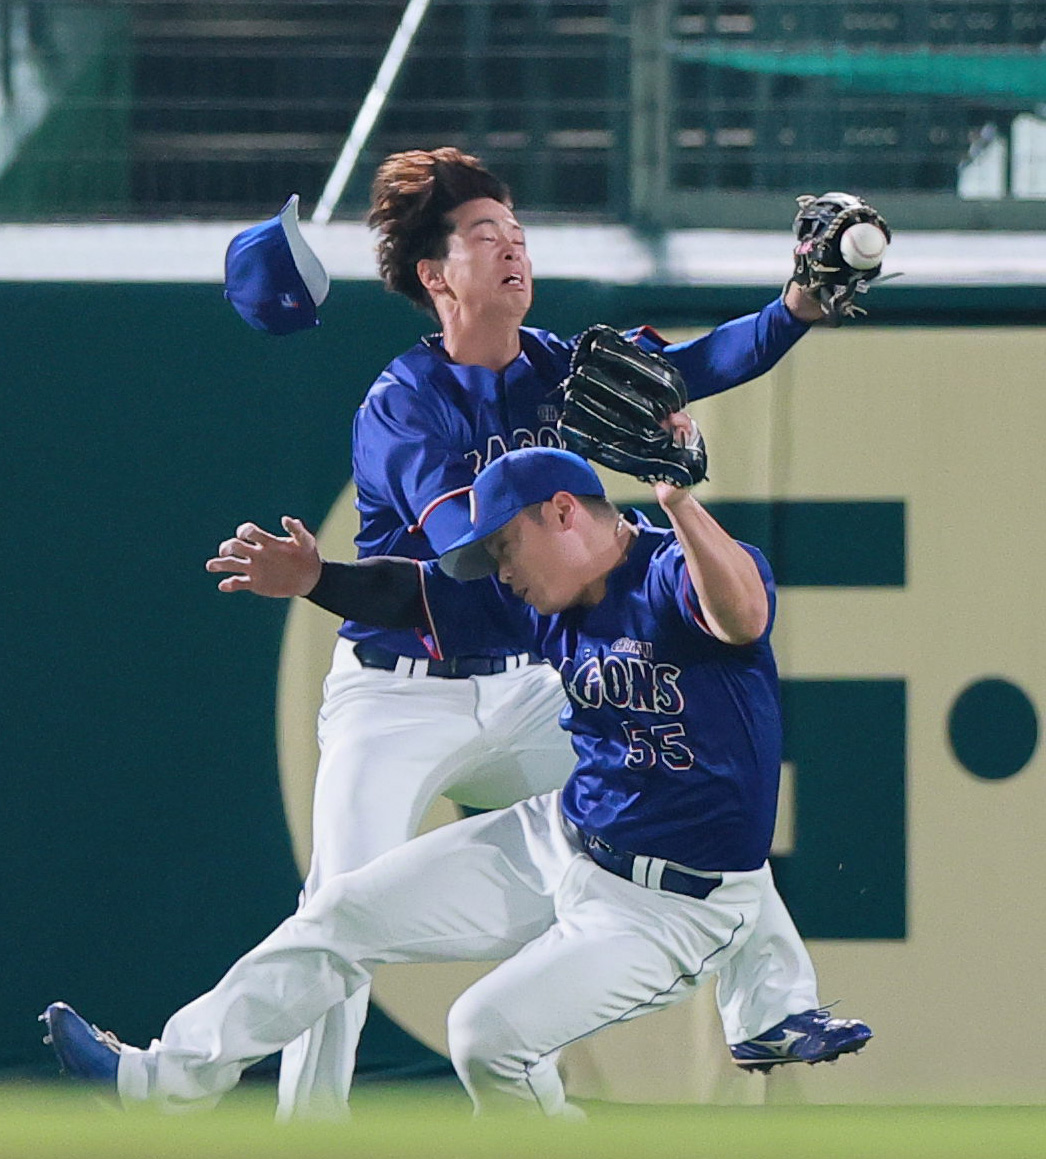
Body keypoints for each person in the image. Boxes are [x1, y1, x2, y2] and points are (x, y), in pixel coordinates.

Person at [222, 148, 848, 1118]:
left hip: (521, 677)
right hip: (404, 683)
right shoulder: (406, 401)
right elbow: (451, 558)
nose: (513, 244)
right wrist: (324, 576)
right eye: (484, 233)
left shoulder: (563, 367)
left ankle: (775, 1001)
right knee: (342, 908)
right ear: (436, 275)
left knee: (689, 780)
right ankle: (307, 1123)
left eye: (516, 228)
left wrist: (796, 308)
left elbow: (698, 365)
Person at [40, 440, 871, 1116]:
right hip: (564, 838)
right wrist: (317, 579)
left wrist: (681, 500)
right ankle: (160, 1081)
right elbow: (419, 595)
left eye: (505, 546)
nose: (500, 570)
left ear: (563, 512)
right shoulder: (534, 597)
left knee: (482, 1036)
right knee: (341, 911)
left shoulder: (671, 574)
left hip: (670, 906)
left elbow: (743, 615)